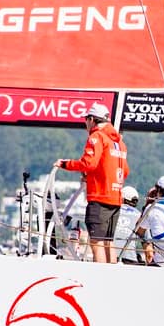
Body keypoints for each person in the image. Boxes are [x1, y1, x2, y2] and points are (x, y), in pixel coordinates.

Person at [55, 102, 129, 263]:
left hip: (100, 198)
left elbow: (89, 163)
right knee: (109, 241)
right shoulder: (119, 143)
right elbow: (125, 171)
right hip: (116, 198)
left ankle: (100, 280)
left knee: (96, 242)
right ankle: (113, 279)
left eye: (86, 121)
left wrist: (65, 164)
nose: (85, 125)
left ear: (92, 120)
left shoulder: (97, 137)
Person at [113, 185, 142, 264]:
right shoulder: (140, 215)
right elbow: (146, 239)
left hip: (111, 255)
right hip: (130, 257)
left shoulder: (112, 211)